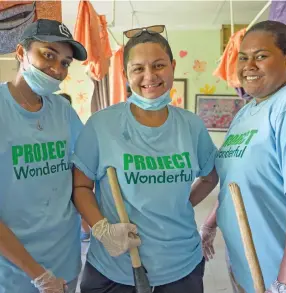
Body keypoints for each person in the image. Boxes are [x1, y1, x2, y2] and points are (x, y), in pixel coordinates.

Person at [72, 26, 219, 293]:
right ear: (125, 74)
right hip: (114, 267)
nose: (149, 76)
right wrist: (103, 229)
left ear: (172, 66)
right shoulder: (102, 125)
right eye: (138, 68)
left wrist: (179, 204)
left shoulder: (191, 126)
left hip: (181, 264)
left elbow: (210, 176)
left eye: (159, 65)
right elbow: (80, 186)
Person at [200, 20, 286, 293]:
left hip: (281, 273)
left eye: (261, 56)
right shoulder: (247, 111)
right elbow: (237, 180)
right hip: (247, 268)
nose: (249, 66)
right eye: (243, 57)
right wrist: (210, 224)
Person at [0, 19, 87, 293]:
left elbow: (85, 169)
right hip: (14, 274)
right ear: (21, 53)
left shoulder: (63, 110)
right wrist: (38, 275)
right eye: (48, 54)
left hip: (66, 262)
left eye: (65, 63)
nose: (57, 69)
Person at [59, 92, 91, 242]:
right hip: (64, 169)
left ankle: (86, 230)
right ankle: (85, 230)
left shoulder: (69, 120)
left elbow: (83, 144)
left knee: (76, 201)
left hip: (72, 168)